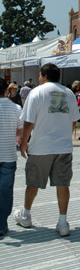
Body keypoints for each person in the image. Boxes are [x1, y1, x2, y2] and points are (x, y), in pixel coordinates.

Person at [14, 63, 80, 237]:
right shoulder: (69, 93)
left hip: (40, 147)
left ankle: (26, 215)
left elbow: (28, 122)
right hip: (64, 147)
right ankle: (63, 221)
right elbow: (74, 121)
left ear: (44, 75)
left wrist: (24, 142)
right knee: (63, 184)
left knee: (33, 183)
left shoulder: (36, 92)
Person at [0, 78, 23, 237]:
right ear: (6, 90)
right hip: (8, 155)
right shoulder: (16, 108)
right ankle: (2, 224)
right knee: (5, 191)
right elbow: (21, 130)